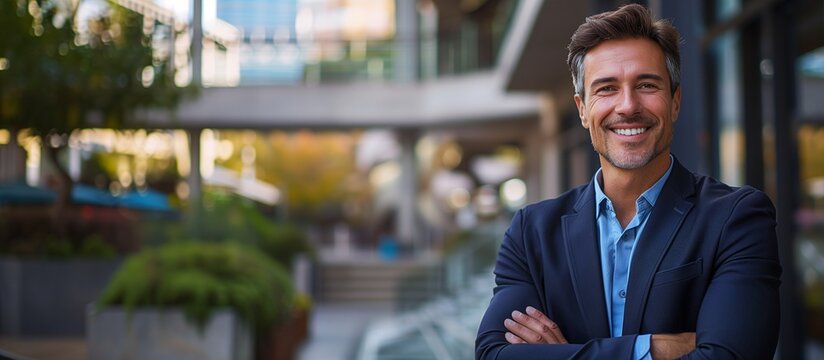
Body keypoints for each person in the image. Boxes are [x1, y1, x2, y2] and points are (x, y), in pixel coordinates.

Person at [475, 4, 781, 359]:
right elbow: (493, 355)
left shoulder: (737, 218)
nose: (627, 106)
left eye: (646, 85)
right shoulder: (532, 233)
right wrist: (648, 347)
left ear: (676, 101)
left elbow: (730, 356)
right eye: (606, 88)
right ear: (582, 109)